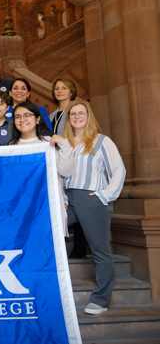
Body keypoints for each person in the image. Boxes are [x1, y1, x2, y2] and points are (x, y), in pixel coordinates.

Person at [63, 99, 126, 315]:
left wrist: (105, 195)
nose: (77, 117)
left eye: (82, 113)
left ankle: (100, 299)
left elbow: (118, 169)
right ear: (68, 118)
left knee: (100, 251)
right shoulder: (65, 142)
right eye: (73, 114)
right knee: (45, 232)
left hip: (91, 198)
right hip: (67, 198)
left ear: (88, 116)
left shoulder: (101, 141)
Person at [9, 101, 76, 235]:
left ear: (38, 119)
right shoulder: (11, 147)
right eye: (17, 116)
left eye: (27, 115)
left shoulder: (49, 143)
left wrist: (65, 145)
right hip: (21, 206)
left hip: (47, 205)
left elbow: (66, 171)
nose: (22, 120)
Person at [49, 78, 83, 258]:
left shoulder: (76, 110)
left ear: (71, 91)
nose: (60, 91)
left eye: (64, 88)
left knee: (76, 199)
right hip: (59, 160)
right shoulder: (52, 114)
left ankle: (80, 243)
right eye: (57, 88)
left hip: (76, 158)